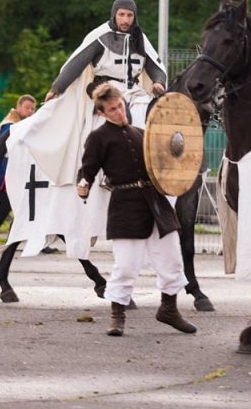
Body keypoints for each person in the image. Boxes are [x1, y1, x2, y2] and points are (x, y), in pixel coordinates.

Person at [77, 83, 196, 337]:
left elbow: (167, 161)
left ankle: (169, 310)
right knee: (127, 265)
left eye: (120, 106)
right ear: (102, 113)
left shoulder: (142, 133)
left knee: (172, 257)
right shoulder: (98, 138)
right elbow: (87, 170)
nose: (119, 112)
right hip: (126, 205)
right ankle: (117, 316)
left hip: (156, 203)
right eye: (112, 109)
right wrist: (83, 183)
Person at [44, 0, 166, 129]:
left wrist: (158, 81)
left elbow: (154, 65)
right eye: (121, 15)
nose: (125, 20)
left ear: (134, 17)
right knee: (123, 116)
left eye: (129, 15)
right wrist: (56, 88)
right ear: (114, 15)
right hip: (107, 90)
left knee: (155, 112)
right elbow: (76, 63)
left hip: (135, 92)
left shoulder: (140, 38)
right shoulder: (100, 35)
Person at [0, 95, 36, 253]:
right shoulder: (9, 125)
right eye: (27, 108)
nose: (30, 112)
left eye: (33, 109)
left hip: (23, 174)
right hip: (8, 174)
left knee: (30, 208)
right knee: (4, 207)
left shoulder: (24, 124)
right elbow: (8, 150)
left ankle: (35, 241)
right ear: (18, 107)